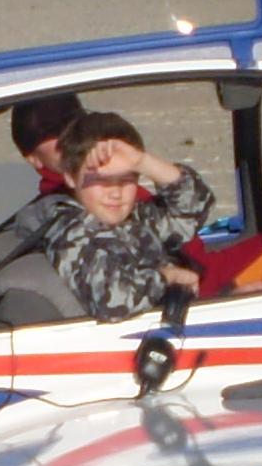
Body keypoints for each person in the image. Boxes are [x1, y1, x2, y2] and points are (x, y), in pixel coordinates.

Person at [42, 111, 215, 322]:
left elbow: (194, 209)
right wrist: (168, 277)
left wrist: (142, 161)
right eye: (101, 180)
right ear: (70, 177)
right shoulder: (71, 233)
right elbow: (113, 301)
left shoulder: (133, 219)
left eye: (127, 180)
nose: (115, 193)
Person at [0, 93, 85, 321]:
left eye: (75, 123)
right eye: (53, 132)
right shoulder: (54, 211)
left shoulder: (116, 183)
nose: (69, 136)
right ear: (34, 159)